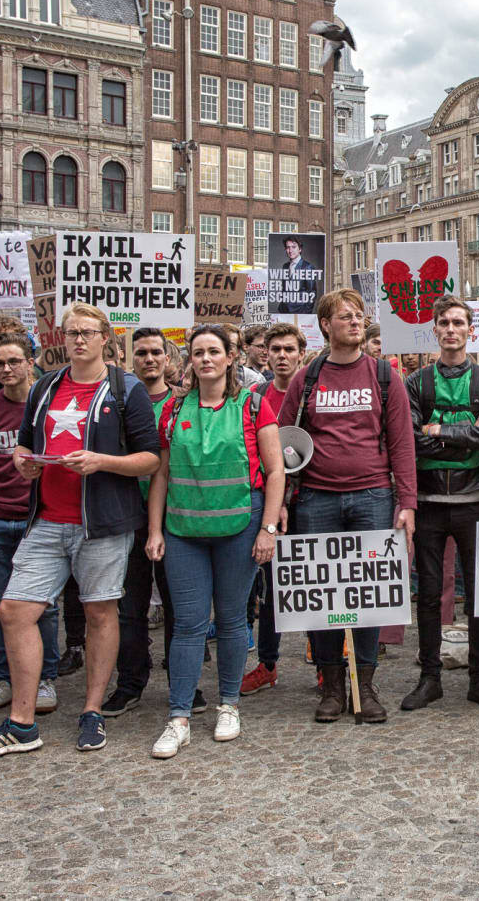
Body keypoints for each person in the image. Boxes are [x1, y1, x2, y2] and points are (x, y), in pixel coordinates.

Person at [0, 303, 161, 759]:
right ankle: (21, 720)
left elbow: (150, 458)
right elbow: (27, 445)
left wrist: (102, 462)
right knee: (14, 611)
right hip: (48, 518)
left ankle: (92, 709)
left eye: (86, 332)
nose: (77, 339)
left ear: (105, 339)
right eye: (71, 332)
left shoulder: (124, 389)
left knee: (99, 614)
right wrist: (23, 462)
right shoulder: (45, 386)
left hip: (103, 523)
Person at [143, 325, 285, 757]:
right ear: (188, 360)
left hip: (239, 528)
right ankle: (179, 716)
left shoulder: (252, 405)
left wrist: (268, 529)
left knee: (231, 621)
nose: (206, 359)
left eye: (214, 352)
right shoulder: (172, 409)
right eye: (198, 352)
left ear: (230, 357)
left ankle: (229, 704)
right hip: (183, 530)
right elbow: (161, 473)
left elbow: (276, 471)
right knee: (185, 623)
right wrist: (154, 530)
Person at [277, 288, 416, 724]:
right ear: (325, 325)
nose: (355, 323)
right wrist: (280, 501)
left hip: (373, 496)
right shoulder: (308, 377)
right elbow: (283, 441)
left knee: (369, 595)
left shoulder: (383, 375)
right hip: (316, 498)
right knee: (322, 596)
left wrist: (406, 502)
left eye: (359, 316)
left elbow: (402, 443)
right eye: (345, 317)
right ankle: (332, 686)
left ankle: (365, 685)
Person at [402, 296, 479, 712]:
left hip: (475, 499)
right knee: (429, 594)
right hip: (429, 500)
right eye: (444, 323)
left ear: (470, 330)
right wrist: (465, 427)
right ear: (435, 330)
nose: (450, 329)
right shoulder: (417, 382)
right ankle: (429, 678)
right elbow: (414, 437)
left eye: (458, 323)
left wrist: (440, 429)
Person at [0, 332, 60, 720]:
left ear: (30, 361)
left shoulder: (48, 405)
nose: (6, 370)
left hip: (38, 518)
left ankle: (44, 678)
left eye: (13, 361)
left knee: (44, 606)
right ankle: (3, 677)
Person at [103, 327, 186, 719]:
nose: (149, 359)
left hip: (175, 518)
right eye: (141, 353)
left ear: (168, 359)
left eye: (156, 352)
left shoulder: (182, 404)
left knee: (177, 606)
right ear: (129, 359)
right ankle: (130, 682)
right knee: (128, 607)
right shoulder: (118, 402)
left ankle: (181, 683)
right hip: (126, 516)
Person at [240, 321, 306, 697]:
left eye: (288, 349)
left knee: (315, 581)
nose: (281, 356)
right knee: (271, 588)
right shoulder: (256, 394)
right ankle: (268, 662)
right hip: (268, 505)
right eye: (275, 349)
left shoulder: (312, 390)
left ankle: (323, 659)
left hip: (307, 499)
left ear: (300, 353)